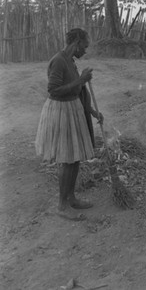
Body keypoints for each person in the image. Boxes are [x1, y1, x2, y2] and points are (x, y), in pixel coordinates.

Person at [35, 28, 103, 220]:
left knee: (74, 158)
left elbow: (78, 91)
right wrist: (81, 79)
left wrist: (93, 112)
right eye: (85, 46)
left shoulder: (70, 62)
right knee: (66, 158)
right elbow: (54, 90)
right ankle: (62, 206)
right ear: (77, 42)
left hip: (72, 109)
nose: (86, 50)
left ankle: (71, 198)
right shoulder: (58, 61)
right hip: (61, 112)